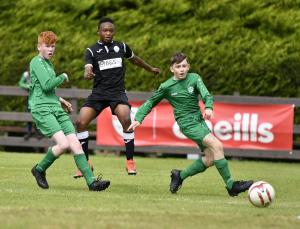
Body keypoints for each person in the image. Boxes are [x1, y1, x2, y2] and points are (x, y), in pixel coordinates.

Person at [128, 52, 253, 196]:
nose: (181, 69)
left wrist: (208, 106)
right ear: (171, 69)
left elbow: (206, 94)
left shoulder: (194, 78)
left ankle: (179, 176)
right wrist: (139, 117)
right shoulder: (166, 86)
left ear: (188, 67)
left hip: (199, 121)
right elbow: (151, 101)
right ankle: (231, 186)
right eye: (178, 66)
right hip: (186, 123)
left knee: (211, 157)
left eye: (184, 66)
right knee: (217, 145)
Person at [74, 17, 160, 178]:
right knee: (80, 122)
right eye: (104, 30)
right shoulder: (91, 50)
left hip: (117, 93)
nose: (108, 33)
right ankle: (84, 163)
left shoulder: (121, 47)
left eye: (110, 30)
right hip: (98, 94)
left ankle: (130, 162)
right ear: (98, 32)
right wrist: (87, 72)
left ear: (114, 32)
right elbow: (87, 66)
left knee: (126, 120)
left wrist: (150, 69)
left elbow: (135, 59)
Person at [29, 31, 110, 192]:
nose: (51, 49)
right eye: (47, 46)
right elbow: (46, 85)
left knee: (75, 144)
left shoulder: (48, 64)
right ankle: (39, 169)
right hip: (42, 109)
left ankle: (92, 183)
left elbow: (44, 89)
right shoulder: (36, 62)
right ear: (39, 47)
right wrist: (63, 77)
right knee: (63, 144)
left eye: (53, 46)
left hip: (54, 107)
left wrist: (61, 100)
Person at [18, 69, 33, 140]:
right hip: (29, 98)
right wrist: (28, 86)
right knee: (28, 114)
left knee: (38, 114)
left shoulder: (40, 73)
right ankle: (28, 132)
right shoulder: (26, 74)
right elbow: (20, 83)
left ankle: (38, 132)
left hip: (38, 98)